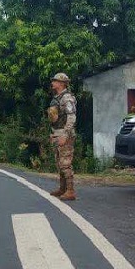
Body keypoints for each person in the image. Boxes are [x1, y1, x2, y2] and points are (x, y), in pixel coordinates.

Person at [47, 73, 77, 201]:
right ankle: (62, 188)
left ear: (62, 83)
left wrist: (65, 133)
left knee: (65, 163)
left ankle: (70, 191)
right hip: (57, 132)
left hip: (64, 133)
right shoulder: (57, 97)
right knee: (59, 162)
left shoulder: (67, 98)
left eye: (55, 81)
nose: (53, 82)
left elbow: (71, 117)